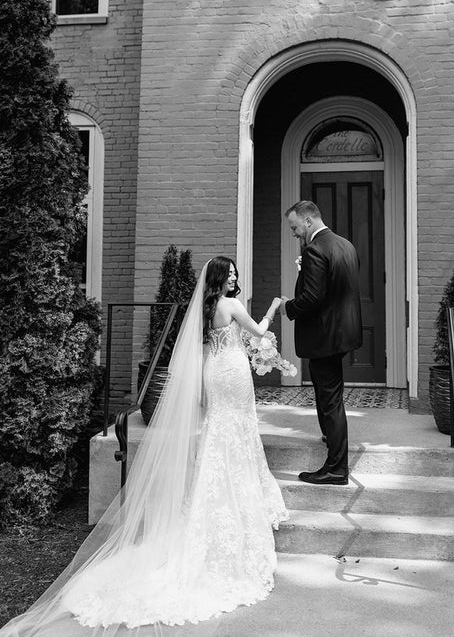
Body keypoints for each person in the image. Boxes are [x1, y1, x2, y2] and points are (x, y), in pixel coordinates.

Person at [1, 257, 288, 636]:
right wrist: (272, 308)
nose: (234, 278)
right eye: (230, 274)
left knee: (222, 432)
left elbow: (205, 351)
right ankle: (237, 499)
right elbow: (259, 334)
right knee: (236, 431)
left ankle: (219, 493)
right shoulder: (232, 305)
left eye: (236, 274)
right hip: (233, 374)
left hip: (214, 374)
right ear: (220, 280)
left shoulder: (205, 309)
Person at [281, 201, 362, 486]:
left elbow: (313, 297)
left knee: (330, 402)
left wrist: (287, 308)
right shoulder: (346, 245)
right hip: (342, 334)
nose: (293, 233)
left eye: (294, 227)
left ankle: (337, 468)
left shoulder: (315, 250)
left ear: (308, 220)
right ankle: (330, 435)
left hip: (324, 336)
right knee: (331, 395)